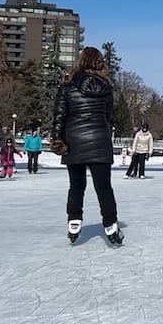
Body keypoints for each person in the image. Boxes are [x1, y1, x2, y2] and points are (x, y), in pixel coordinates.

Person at [50, 46, 122, 246]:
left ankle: (74, 219)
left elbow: (59, 117)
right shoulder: (106, 88)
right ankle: (110, 223)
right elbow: (108, 117)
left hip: (75, 141)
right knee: (104, 187)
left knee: (76, 185)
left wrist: (57, 139)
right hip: (99, 140)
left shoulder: (67, 87)